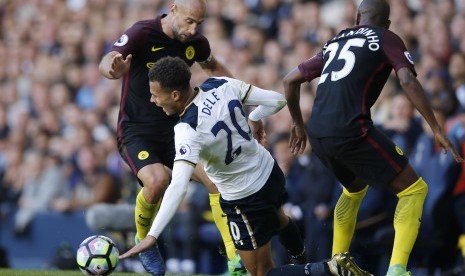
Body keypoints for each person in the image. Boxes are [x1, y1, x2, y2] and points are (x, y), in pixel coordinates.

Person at [118, 56, 372, 276]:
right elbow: (276, 100)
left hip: (244, 198)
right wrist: (254, 117)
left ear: (174, 95)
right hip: (270, 173)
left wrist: (152, 236)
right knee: (279, 218)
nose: (152, 100)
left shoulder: (187, 129)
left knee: (261, 272)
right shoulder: (221, 83)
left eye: (155, 94)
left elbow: (177, 187)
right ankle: (302, 262)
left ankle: (329, 269)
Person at [282, 0, 464, 275]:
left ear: (357, 18)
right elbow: (407, 80)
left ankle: (337, 263)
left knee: (354, 190)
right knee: (414, 189)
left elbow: (289, 80)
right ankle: (397, 269)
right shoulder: (387, 37)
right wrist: (437, 128)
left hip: (317, 132)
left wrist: (297, 123)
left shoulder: (336, 40)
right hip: (351, 129)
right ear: (387, 23)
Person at [98, 0, 240, 275]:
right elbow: (108, 60)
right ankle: (145, 241)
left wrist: (241, 99)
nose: (193, 29)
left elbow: (214, 68)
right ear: (173, 9)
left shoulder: (196, 43)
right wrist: (111, 70)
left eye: (198, 23)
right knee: (158, 181)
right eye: (189, 21)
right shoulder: (142, 32)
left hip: (176, 130)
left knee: (216, 182)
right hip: (136, 130)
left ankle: (234, 258)